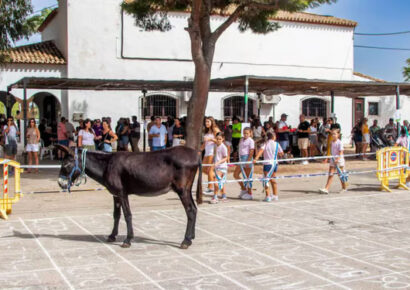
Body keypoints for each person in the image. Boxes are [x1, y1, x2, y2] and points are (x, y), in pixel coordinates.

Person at [254, 132, 284, 202]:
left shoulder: (265, 144)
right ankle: (275, 195)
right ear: (273, 137)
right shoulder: (277, 144)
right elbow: (281, 153)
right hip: (274, 164)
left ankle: (268, 196)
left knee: (266, 180)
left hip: (267, 164)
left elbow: (260, 151)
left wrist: (256, 159)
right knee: (273, 179)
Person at [319, 129, 347, 194]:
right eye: (332, 134)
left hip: (339, 161)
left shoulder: (340, 142)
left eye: (335, 134)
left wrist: (338, 159)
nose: (333, 135)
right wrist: (328, 158)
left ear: (338, 135)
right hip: (332, 160)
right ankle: (326, 188)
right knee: (330, 174)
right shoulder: (331, 142)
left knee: (341, 175)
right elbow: (331, 152)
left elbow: (341, 152)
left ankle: (344, 187)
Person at [234, 127, 255, 200]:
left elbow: (252, 151)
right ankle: (243, 189)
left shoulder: (251, 141)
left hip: (247, 158)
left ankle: (249, 193)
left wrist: (248, 161)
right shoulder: (241, 139)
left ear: (250, 133)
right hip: (241, 158)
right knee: (235, 174)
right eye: (244, 133)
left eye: (247, 133)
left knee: (247, 177)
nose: (245, 134)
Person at [200, 117, 220, 194]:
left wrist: (210, 139)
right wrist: (199, 151)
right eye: (205, 122)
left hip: (213, 152)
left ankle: (210, 188)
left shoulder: (216, 130)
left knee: (209, 170)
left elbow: (220, 141)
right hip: (206, 152)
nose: (206, 123)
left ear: (212, 122)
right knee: (204, 169)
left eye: (208, 122)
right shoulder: (207, 131)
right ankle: (215, 179)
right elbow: (205, 143)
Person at [210, 132, 228, 204]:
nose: (218, 140)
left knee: (216, 181)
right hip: (217, 166)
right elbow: (215, 156)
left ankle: (215, 196)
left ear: (222, 139)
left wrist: (218, 162)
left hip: (222, 167)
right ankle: (224, 195)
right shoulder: (215, 146)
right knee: (221, 181)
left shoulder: (223, 147)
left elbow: (226, 158)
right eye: (217, 139)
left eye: (220, 139)